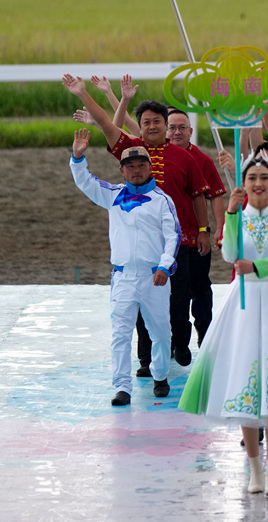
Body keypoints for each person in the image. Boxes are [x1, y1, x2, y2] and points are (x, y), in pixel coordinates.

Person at [179, 155, 268, 498]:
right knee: (246, 383)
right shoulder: (236, 219)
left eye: (264, 178)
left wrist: (257, 267)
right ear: (245, 184)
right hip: (242, 305)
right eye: (252, 178)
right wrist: (229, 213)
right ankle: (254, 470)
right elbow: (228, 253)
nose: (258, 183)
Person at [62, 75, 210, 371]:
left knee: (179, 302)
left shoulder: (185, 156)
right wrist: (84, 94)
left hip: (177, 243)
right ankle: (146, 360)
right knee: (142, 310)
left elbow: (197, 195)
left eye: (158, 121)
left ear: (166, 125)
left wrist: (204, 230)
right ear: (139, 126)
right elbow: (106, 123)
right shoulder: (131, 149)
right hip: (140, 250)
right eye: (146, 122)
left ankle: (180, 344)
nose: (152, 126)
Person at [70, 130, 181, 406]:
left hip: (154, 276)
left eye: (141, 165)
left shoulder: (162, 200)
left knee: (160, 331)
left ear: (149, 167)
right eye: (130, 166)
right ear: (122, 170)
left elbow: (173, 237)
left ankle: (160, 375)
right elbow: (86, 183)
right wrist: (78, 156)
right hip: (122, 277)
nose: (136, 171)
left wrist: (165, 267)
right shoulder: (113, 195)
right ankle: (122, 387)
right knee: (120, 334)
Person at [166, 108, 227, 345]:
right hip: (164, 241)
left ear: (191, 131)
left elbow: (215, 196)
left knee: (200, 287)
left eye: (182, 127)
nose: (177, 132)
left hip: (195, 239)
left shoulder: (202, 160)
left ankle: (206, 337)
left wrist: (219, 228)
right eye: (172, 127)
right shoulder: (154, 157)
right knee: (171, 293)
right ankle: (174, 340)